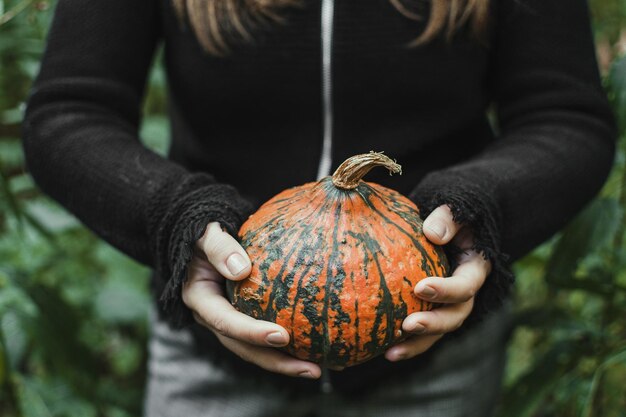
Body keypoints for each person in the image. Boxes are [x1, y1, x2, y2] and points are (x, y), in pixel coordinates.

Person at [22, 0, 615, 416]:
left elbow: (566, 117)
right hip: (212, 349)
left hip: (431, 350)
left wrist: (481, 208)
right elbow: (69, 115)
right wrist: (177, 217)